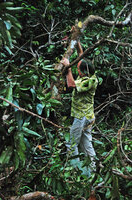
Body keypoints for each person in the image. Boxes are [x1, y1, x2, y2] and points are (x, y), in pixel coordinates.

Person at [61, 41, 98, 176]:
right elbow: (81, 58)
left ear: (83, 72)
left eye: (78, 70)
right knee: (86, 144)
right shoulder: (88, 72)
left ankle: (75, 171)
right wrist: (77, 44)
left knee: (71, 144)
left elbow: (71, 84)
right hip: (87, 117)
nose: (77, 70)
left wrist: (68, 68)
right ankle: (93, 171)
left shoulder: (89, 81)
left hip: (82, 117)